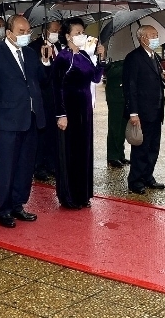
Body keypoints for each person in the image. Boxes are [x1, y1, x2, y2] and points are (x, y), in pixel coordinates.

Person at [0, 15, 49, 228]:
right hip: (7, 120)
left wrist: (46, 61)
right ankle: (3, 209)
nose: (26, 35)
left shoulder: (30, 54)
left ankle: (18, 204)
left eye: (28, 31)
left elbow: (42, 80)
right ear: (9, 33)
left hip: (30, 117)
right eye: (21, 32)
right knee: (7, 167)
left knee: (25, 166)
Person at [52, 18, 105, 209]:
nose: (81, 35)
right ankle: (69, 196)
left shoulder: (83, 54)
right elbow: (56, 87)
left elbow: (96, 77)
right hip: (69, 108)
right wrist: (61, 114)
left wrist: (101, 58)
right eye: (77, 32)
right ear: (67, 36)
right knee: (70, 152)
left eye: (83, 31)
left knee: (84, 150)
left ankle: (83, 194)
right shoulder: (63, 58)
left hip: (85, 108)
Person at [122, 25, 165, 195]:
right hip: (141, 112)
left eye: (156, 35)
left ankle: (148, 176)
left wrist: (164, 79)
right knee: (140, 148)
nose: (156, 38)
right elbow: (130, 87)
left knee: (153, 147)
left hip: (156, 110)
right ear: (143, 38)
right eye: (152, 35)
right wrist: (133, 113)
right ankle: (135, 181)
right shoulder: (133, 58)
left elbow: (157, 82)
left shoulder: (155, 57)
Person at [28, 20, 62, 181]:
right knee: (41, 132)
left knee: (54, 133)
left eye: (58, 30)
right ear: (45, 30)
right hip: (42, 96)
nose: (57, 32)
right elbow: (36, 75)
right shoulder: (34, 47)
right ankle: (38, 166)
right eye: (54, 30)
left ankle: (51, 163)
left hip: (58, 96)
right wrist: (45, 60)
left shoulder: (60, 46)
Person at [104, 59, 130, 168]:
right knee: (115, 126)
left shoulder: (128, 54)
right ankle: (112, 156)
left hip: (126, 95)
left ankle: (120, 154)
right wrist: (125, 67)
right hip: (115, 95)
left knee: (122, 126)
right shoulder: (111, 55)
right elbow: (108, 73)